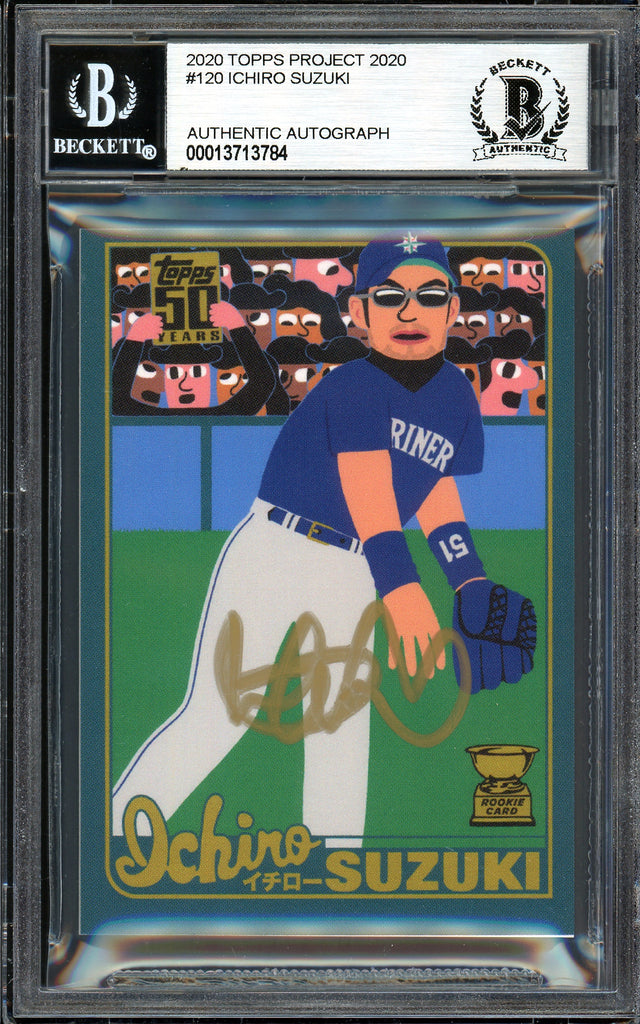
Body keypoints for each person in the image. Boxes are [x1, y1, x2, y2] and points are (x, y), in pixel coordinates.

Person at [112, 236, 536, 843]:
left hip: (355, 567)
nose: (410, 311)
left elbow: (433, 489)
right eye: (389, 297)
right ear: (359, 312)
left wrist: (467, 577)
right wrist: (404, 589)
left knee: (341, 723)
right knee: (223, 711)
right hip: (278, 550)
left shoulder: (455, 395)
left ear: (452, 309)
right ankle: (119, 838)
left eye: (430, 295)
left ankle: (334, 864)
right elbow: (370, 494)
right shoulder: (352, 385)